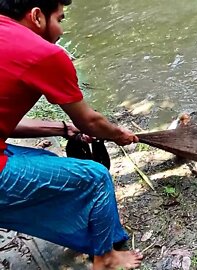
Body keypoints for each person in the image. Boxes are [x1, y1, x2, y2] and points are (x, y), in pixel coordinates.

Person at [0, 0, 143, 269]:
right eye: (60, 20)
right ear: (37, 16)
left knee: (44, 159)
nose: (61, 31)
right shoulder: (42, 53)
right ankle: (106, 257)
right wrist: (117, 134)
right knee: (96, 177)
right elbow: (90, 120)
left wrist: (64, 129)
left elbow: (7, 126)